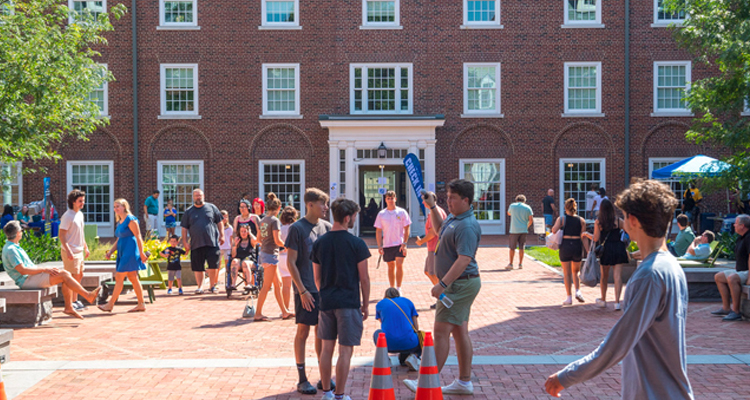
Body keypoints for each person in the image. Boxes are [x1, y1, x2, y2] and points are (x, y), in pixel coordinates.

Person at [545, 179, 694, 400]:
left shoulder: (649, 275)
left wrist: (566, 377)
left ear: (632, 220)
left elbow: (617, 344)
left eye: (624, 216)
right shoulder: (672, 267)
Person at [404, 180, 482, 395]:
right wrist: (431, 208)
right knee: (459, 331)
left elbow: (464, 259)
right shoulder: (455, 219)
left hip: (459, 284)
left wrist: (442, 284)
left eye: (452, 198)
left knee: (440, 332)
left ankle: (427, 382)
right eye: (447, 197)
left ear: (466, 200)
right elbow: (439, 229)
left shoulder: (466, 225)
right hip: (461, 283)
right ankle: (464, 382)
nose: (448, 201)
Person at [313, 197, 371, 400]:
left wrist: (326, 294)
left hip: (327, 301)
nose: (355, 219)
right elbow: (364, 278)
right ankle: (340, 395)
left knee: (326, 349)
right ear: (347, 218)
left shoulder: (320, 242)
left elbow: (317, 278)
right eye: (354, 216)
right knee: (345, 350)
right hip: (348, 302)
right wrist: (365, 305)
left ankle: (327, 392)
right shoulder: (357, 244)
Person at [285, 188, 332, 395]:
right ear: (310, 204)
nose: (326, 208)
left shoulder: (328, 227)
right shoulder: (297, 229)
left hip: (324, 290)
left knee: (321, 332)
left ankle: (323, 375)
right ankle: (302, 378)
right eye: (323, 204)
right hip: (305, 290)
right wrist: (302, 291)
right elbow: (291, 262)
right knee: (303, 331)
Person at [2, 221, 100, 305]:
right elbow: (23, 270)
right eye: (21, 231)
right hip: (26, 281)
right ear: (18, 233)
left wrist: (46, 269)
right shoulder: (11, 250)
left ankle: (70, 306)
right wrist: (45, 269)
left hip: (31, 277)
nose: (22, 233)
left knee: (65, 274)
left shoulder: (14, 247)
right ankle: (86, 296)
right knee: (64, 274)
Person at [99, 199, 149, 313]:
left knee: (119, 277)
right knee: (133, 278)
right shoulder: (120, 221)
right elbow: (120, 239)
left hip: (130, 252)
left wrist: (141, 253)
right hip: (123, 251)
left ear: (124, 207)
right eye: (114, 207)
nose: (116, 209)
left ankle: (110, 304)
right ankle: (141, 304)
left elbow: (138, 237)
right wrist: (111, 251)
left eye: (118, 206)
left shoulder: (131, 220)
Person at [255, 192, 293, 321]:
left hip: (266, 253)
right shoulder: (275, 220)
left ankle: (284, 311)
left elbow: (258, 239)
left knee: (278, 284)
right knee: (266, 286)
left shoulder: (263, 220)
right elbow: (277, 240)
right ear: (278, 208)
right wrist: (288, 246)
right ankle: (258, 313)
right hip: (271, 254)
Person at [586, 199, 629, 310]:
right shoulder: (618, 221)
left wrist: (586, 234)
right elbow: (629, 230)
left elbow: (595, 238)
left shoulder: (599, 222)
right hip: (618, 248)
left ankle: (604, 300)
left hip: (606, 249)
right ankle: (617, 302)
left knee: (604, 276)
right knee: (617, 276)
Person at [181, 189, 225, 294]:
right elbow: (184, 228)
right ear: (193, 197)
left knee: (213, 265)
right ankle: (200, 287)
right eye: (196, 196)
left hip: (212, 242)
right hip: (196, 243)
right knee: (198, 267)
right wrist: (185, 242)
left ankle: (212, 286)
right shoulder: (189, 212)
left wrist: (222, 235)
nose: (198, 197)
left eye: (199, 195)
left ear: (203, 196)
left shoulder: (212, 208)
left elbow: (220, 222)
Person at [711, 214, 750, 321]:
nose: (734, 225)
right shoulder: (740, 238)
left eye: (736, 223)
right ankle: (726, 308)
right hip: (741, 270)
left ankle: (736, 311)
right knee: (719, 277)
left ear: (742, 226)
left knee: (732, 278)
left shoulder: (749, 237)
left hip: (747, 271)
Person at [59, 189, 90, 318]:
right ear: (73, 202)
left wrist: (86, 247)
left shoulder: (80, 214)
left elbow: (81, 233)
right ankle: (69, 303)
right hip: (70, 251)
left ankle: (75, 300)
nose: (83, 203)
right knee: (70, 278)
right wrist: (68, 250)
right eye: (80, 201)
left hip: (79, 250)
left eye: (83, 200)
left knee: (79, 275)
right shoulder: (68, 216)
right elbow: (62, 235)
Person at [374, 287, 421, 371]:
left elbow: (382, 322)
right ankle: (413, 356)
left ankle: (385, 359)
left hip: (389, 344)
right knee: (420, 335)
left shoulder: (380, 304)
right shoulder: (408, 301)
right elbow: (416, 327)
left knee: (377, 333)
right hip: (410, 343)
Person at [374, 190, 411, 292]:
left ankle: (398, 288)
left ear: (395, 199)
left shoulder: (402, 212)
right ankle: (392, 288)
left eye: (392, 198)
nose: (390, 200)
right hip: (387, 244)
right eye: (388, 198)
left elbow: (407, 227)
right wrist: (379, 245)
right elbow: (378, 230)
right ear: (385, 200)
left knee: (399, 264)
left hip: (399, 243)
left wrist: (405, 243)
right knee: (391, 266)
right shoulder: (381, 214)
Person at [551, 198, 587, 305]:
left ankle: (569, 297)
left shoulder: (562, 219)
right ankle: (578, 291)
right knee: (576, 271)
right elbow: (584, 237)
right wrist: (588, 250)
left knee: (567, 273)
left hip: (566, 245)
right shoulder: (581, 220)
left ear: (565, 207)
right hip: (577, 245)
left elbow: (554, 230)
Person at [415, 192, 447, 308]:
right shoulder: (434, 212)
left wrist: (421, 241)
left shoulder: (435, 212)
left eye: (425, 200)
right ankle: (442, 296)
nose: (423, 202)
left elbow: (434, 232)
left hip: (436, 248)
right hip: (432, 248)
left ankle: (443, 297)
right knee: (428, 271)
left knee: (433, 272)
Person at [278, 206, 298, 312]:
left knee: (285, 286)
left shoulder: (281, 229)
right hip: (292, 257)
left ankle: (285, 308)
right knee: (298, 284)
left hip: (281, 257)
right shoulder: (294, 228)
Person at [506, 194, 533, 270]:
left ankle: (511, 264)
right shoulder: (528, 207)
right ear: (524, 201)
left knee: (512, 247)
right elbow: (531, 220)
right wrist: (526, 226)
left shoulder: (512, 206)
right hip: (523, 230)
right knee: (522, 247)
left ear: (516, 200)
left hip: (514, 230)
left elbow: (508, 213)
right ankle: (520, 264)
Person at [230, 224, 255, 290]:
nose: (243, 233)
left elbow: (256, 241)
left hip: (250, 261)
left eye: (245, 231)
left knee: (245, 263)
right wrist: (235, 246)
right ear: (239, 232)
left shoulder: (251, 240)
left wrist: (250, 233)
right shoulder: (237, 240)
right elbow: (233, 255)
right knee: (234, 261)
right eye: (242, 231)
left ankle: (249, 284)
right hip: (239, 261)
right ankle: (233, 284)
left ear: (248, 232)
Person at [219, 210, 234, 274]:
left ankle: (228, 281)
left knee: (227, 265)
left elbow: (231, 239)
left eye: (226, 217)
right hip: (219, 248)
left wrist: (232, 249)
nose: (224, 219)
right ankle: (215, 281)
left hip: (227, 248)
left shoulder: (230, 228)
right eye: (223, 217)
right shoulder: (217, 227)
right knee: (217, 265)